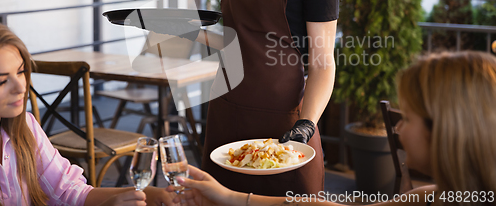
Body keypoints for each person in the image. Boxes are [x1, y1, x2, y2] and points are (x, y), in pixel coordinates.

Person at [170, 51, 496, 206]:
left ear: (446, 131)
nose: (397, 128)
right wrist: (230, 197)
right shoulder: (443, 195)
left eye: (407, 118)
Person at [199, 0, 341, 197]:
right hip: (226, 111)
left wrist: (306, 125)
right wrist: (179, 29)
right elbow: (236, 41)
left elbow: (322, 63)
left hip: (282, 123)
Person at [0, 23, 178, 206]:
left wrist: (146, 194)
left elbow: (67, 191)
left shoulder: (25, 127)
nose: (21, 87)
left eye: (21, 72)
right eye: (1, 81)